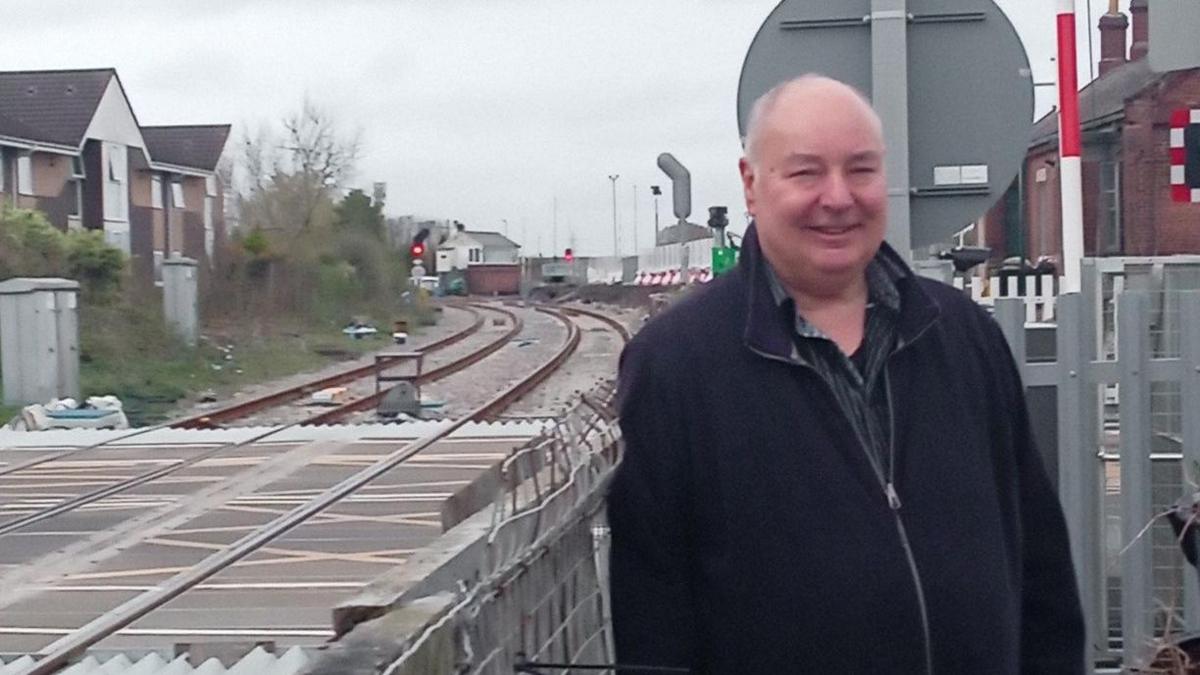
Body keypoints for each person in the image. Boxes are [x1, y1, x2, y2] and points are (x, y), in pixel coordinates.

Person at [606, 74, 1085, 674]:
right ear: (752, 186)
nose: (838, 197)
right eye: (806, 172)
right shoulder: (677, 365)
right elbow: (654, 621)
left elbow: (1041, 573)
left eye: (860, 169)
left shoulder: (962, 336)